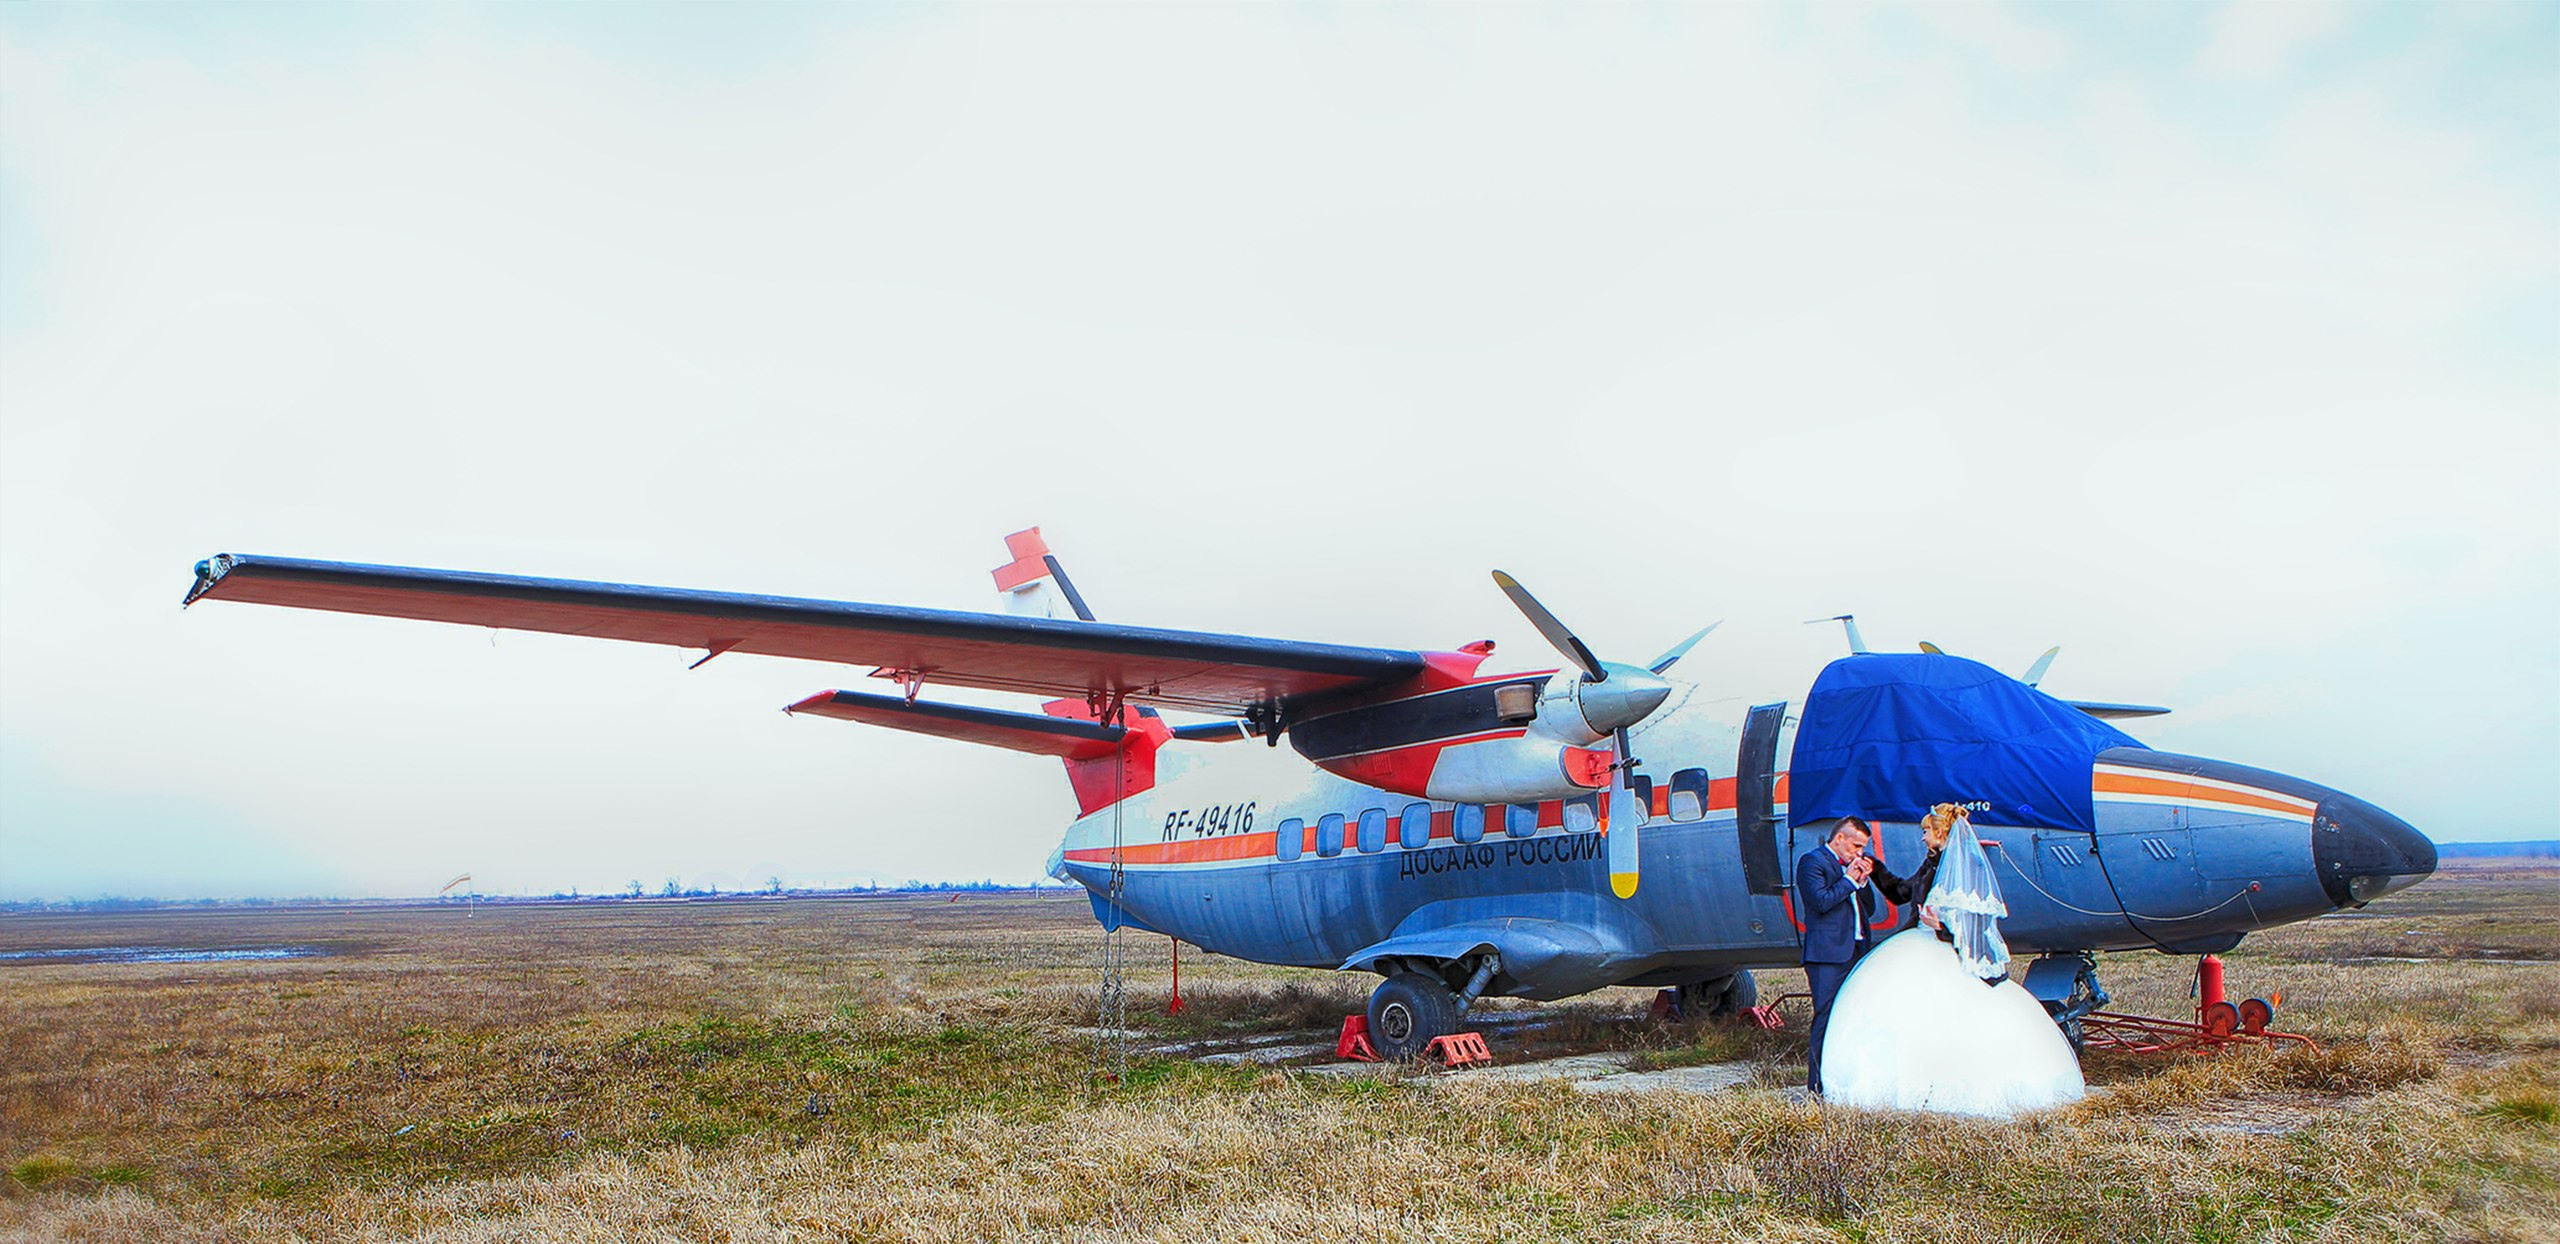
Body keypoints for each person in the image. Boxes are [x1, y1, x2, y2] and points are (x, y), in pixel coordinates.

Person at [1816, 804, 2087, 1117]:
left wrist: (1940, 927)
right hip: (1917, 941)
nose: (1922, 838)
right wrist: (1876, 869)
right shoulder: (1931, 863)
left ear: (1940, 833)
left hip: (1941, 946)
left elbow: (1969, 917)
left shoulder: (1962, 865)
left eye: (1926, 832)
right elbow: (1903, 893)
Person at [1796, 816, 1904, 1097]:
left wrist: (1863, 882)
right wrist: (1847, 880)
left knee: (1853, 1014)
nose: (1859, 852)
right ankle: (1817, 1085)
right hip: (1827, 954)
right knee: (1826, 1015)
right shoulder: (1813, 862)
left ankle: (1846, 1079)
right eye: (1856, 845)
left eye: (1863, 847)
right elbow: (1820, 903)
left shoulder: (1851, 871)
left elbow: (1866, 909)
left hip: (1855, 947)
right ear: (1839, 838)